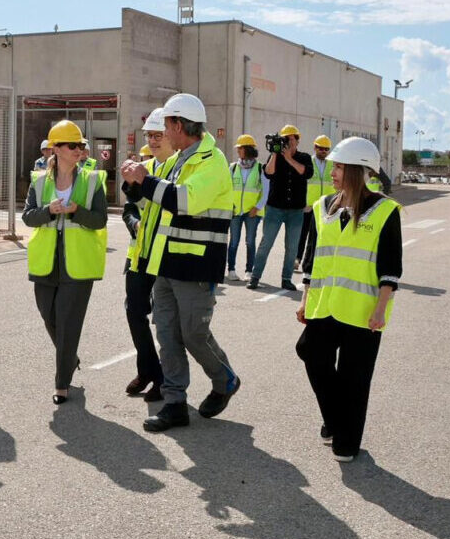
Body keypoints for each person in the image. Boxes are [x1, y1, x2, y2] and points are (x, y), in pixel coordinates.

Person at [120, 93, 239, 432]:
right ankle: (175, 403)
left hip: (196, 264)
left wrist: (145, 180)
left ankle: (224, 379)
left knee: (193, 334)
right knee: (168, 334)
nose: (162, 133)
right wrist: (135, 186)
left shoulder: (211, 161)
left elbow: (183, 201)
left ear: (177, 125)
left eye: (165, 126)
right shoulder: (178, 160)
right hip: (165, 262)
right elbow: (154, 203)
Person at [295, 137, 402, 463]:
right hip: (325, 304)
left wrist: (381, 307)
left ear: (358, 171)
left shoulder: (385, 211)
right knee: (309, 351)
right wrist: (305, 300)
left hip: (363, 310)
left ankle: (347, 440)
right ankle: (335, 418)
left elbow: (390, 268)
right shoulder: (322, 206)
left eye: (340, 167)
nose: (332, 171)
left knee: (355, 378)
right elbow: (314, 261)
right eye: (334, 165)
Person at [23, 120, 109, 405]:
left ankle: (62, 384)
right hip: (46, 262)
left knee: (69, 322)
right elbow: (28, 216)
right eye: (72, 145)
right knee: (49, 316)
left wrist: (75, 211)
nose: (79, 150)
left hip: (78, 264)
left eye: (81, 146)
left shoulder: (93, 180)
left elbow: (99, 219)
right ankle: (69, 358)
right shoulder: (38, 180)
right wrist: (48, 210)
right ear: (55, 149)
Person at [119, 109, 173, 403]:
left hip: (165, 255)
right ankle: (149, 370)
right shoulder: (145, 166)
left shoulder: (178, 169)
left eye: (157, 135)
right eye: (149, 136)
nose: (152, 141)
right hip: (139, 253)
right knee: (134, 311)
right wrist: (134, 223)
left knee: (163, 321)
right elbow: (129, 206)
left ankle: (164, 379)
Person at [249, 124, 313, 291]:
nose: (288, 142)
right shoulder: (275, 156)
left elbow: (306, 172)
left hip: (296, 211)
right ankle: (255, 277)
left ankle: (286, 279)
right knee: (266, 243)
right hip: (275, 209)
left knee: (292, 247)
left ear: (297, 141)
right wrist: (276, 154)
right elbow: (268, 173)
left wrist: (290, 158)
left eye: (291, 138)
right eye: (285, 138)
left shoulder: (305, 157)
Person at [227, 134, 269, 282]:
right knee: (234, 241)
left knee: (250, 242)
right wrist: (229, 206)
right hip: (235, 211)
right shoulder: (232, 168)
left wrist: (257, 208)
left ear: (248, 149)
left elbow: (265, 191)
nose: (238, 151)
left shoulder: (260, 168)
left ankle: (248, 271)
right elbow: (226, 189)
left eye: (240, 148)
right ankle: (231, 270)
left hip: (252, 212)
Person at [295, 135, 334, 273]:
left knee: (321, 235)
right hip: (309, 206)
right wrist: (302, 203)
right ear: (315, 147)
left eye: (326, 149)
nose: (323, 151)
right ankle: (297, 258)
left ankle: (316, 260)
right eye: (320, 148)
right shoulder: (308, 162)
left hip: (327, 207)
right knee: (303, 233)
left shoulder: (332, 164)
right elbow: (299, 184)